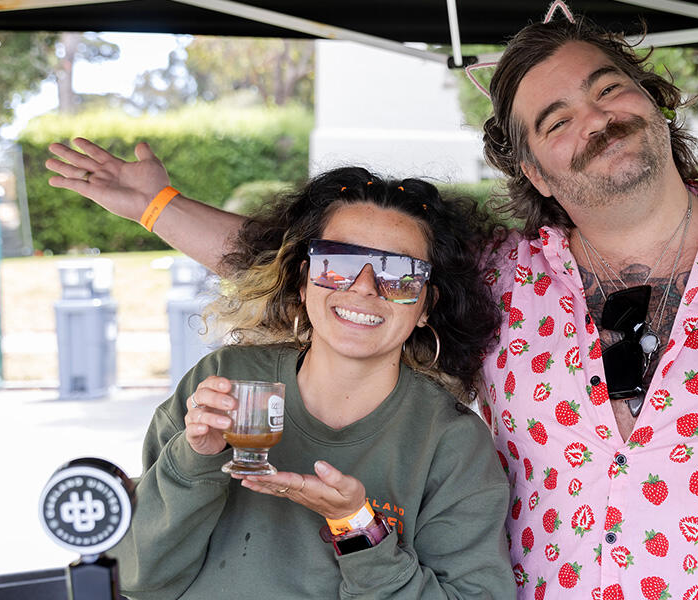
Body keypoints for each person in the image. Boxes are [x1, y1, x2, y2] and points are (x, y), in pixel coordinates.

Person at [46, 10, 698, 599]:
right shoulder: (507, 276)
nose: (595, 119)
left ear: (656, 104)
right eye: (554, 120)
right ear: (531, 169)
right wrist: (157, 208)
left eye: (611, 89)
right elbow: (339, 268)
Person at [101, 166, 515, 599]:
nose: (365, 287)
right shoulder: (221, 382)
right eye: (338, 263)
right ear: (303, 281)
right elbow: (137, 577)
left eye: (399, 274)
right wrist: (195, 461)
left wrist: (358, 527)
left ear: (426, 305)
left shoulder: (451, 443)